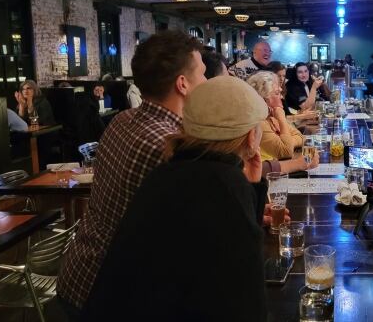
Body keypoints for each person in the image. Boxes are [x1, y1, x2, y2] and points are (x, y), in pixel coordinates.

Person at [81, 77, 270, 321]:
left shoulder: (168, 172)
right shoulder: (224, 185)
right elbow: (245, 298)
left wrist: (252, 187)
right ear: (250, 137)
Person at [57, 31, 207, 316]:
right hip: (112, 295)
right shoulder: (170, 145)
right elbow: (195, 235)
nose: (208, 82)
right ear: (183, 84)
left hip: (78, 273)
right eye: (203, 73)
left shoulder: (123, 120)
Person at [246, 71, 304, 160]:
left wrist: (289, 142)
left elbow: (301, 137)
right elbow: (286, 151)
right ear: (264, 99)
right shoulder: (259, 122)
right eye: (277, 93)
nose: (281, 97)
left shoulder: (272, 117)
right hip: (265, 173)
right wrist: (281, 118)